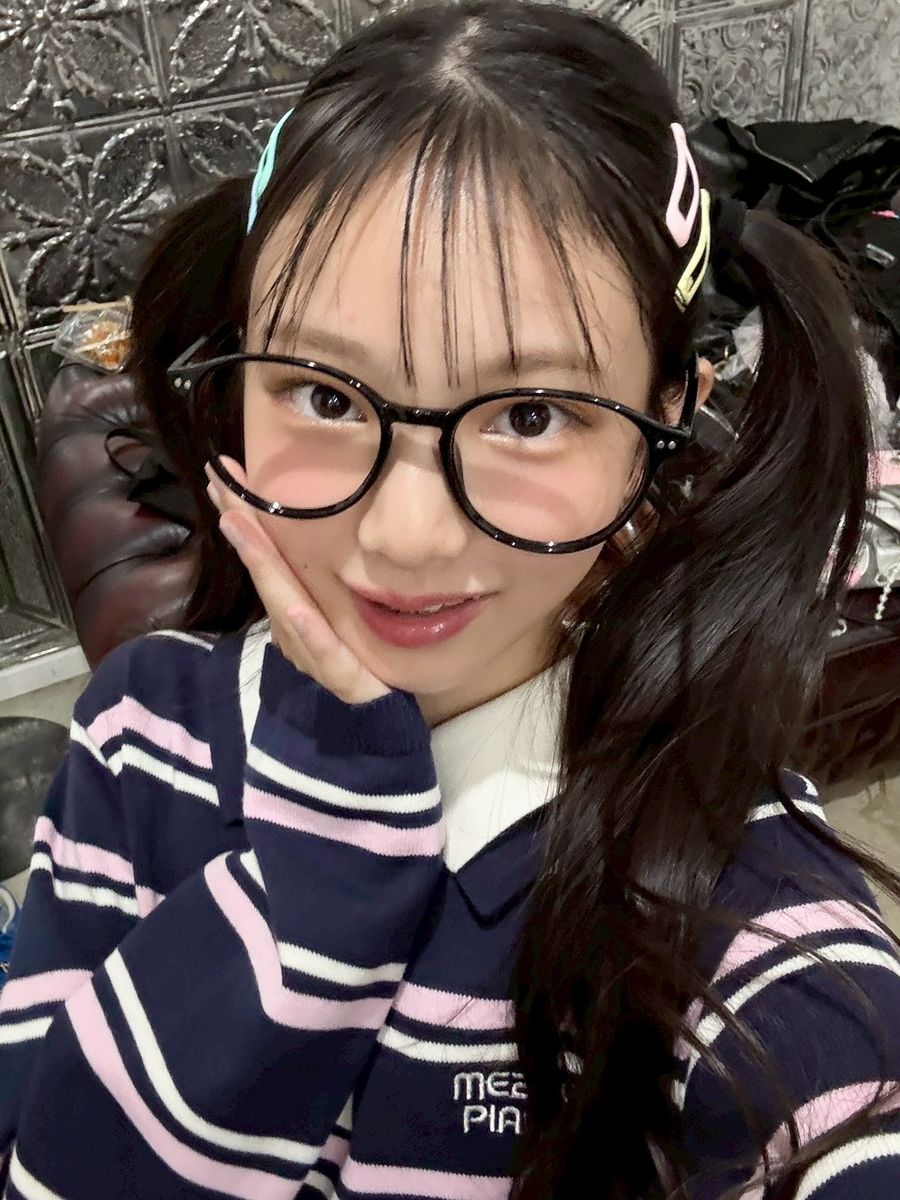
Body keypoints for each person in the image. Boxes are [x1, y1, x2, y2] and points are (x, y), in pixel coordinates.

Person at [2, 2, 899, 1196]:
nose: (405, 536)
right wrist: (317, 889)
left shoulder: (720, 890)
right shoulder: (138, 731)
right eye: (323, 394)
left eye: (530, 414)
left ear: (665, 417)